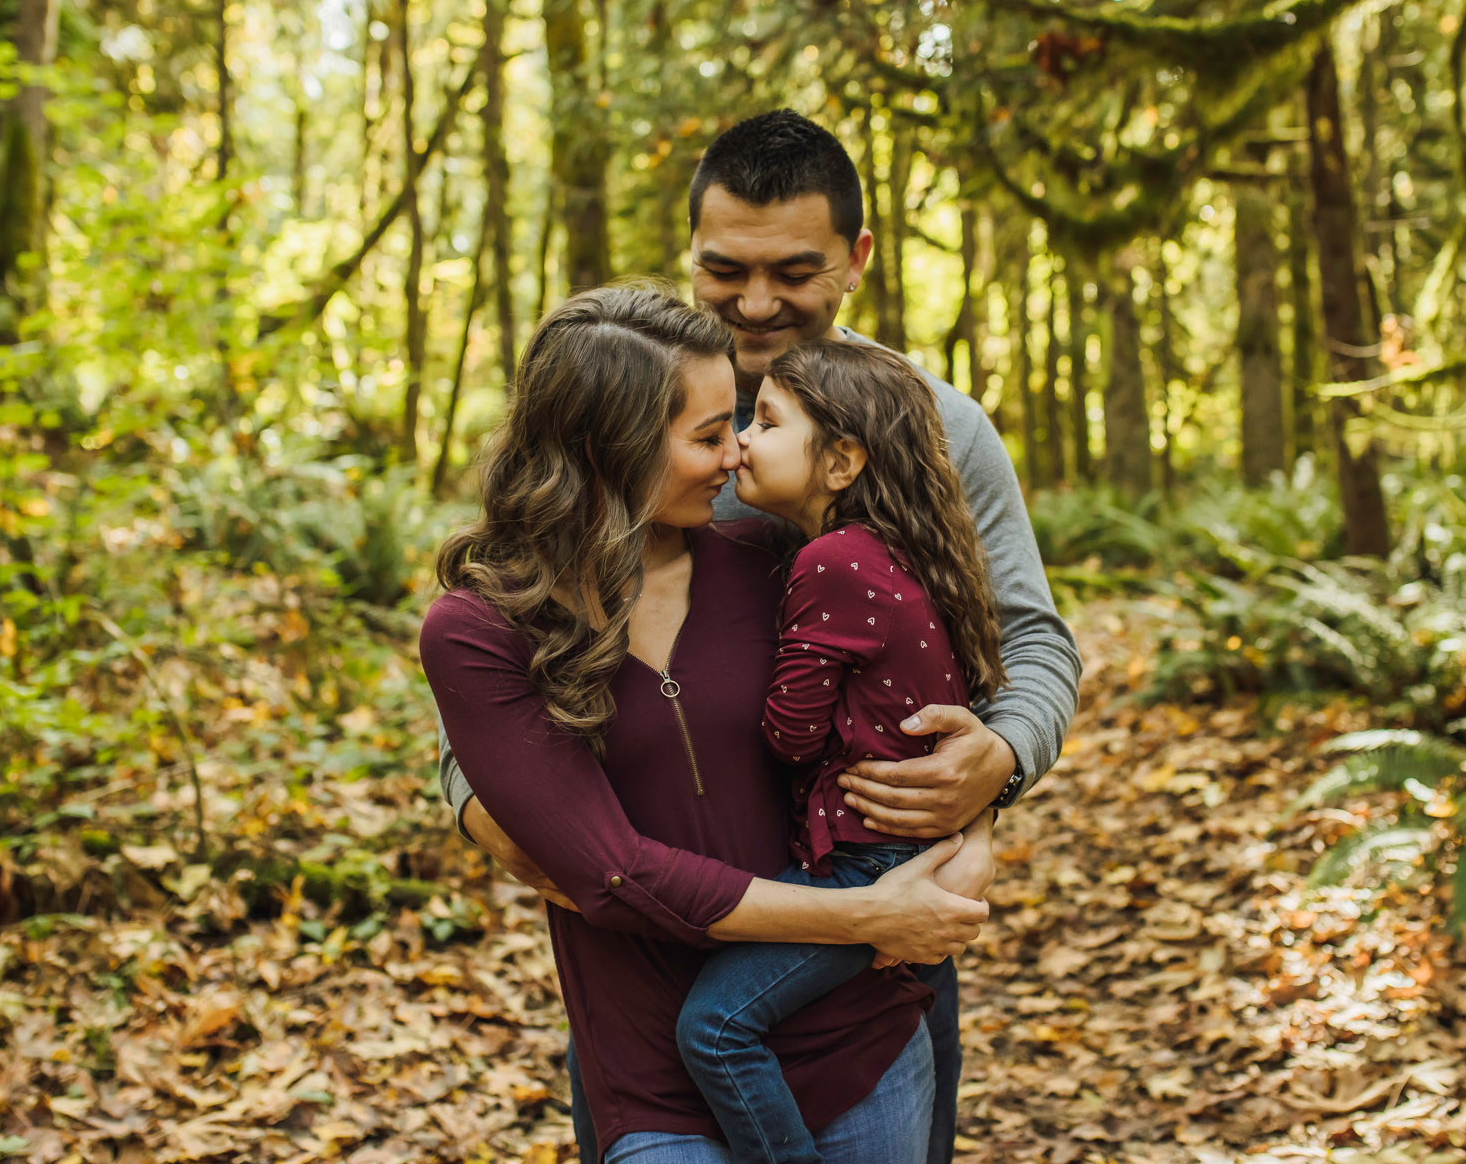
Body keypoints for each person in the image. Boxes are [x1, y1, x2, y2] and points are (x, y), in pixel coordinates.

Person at [438, 109, 1082, 1161]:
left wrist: (997, 765)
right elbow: (497, 655)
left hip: (866, 924)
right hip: (644, 969)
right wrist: (490, 809)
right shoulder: (608, 408)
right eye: (724, 269)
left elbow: (1026, 639)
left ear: (857, 258)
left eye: (795, 270)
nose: (755, 301)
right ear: (689, 249)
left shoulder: (932, 426)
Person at [421, 285, 987, 1164]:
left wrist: (976, 812)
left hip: (855, 1037)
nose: (734, 458)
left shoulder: (776, 561)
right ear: (601, 446)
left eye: (741, 425)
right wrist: (869, 915)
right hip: (657, 1073)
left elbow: (909, 709)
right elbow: (612, 873)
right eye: (708, 434)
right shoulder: (480, 631)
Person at [675, 338, 1005, 1164]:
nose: (743, 438)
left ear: (840, 462)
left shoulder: (830, 562)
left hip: (863, 862)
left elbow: (791, 732)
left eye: (768, 421)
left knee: (714, 1028)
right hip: (901, 849)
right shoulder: (902, 553)